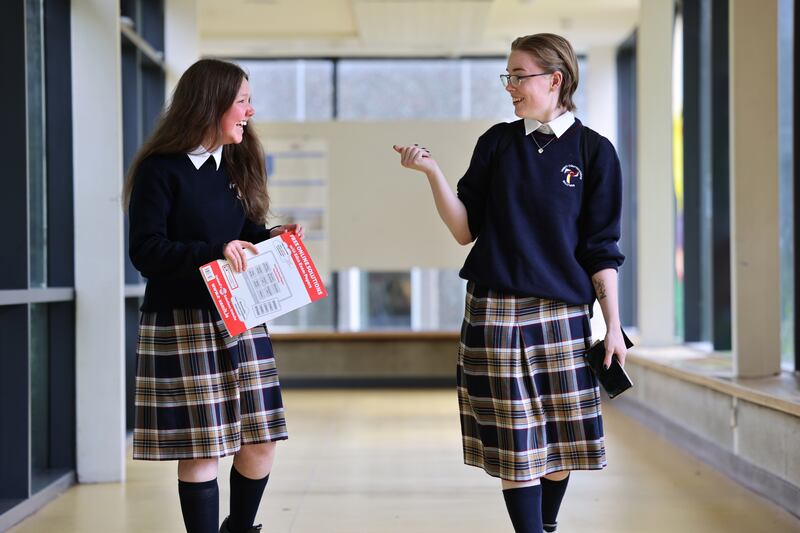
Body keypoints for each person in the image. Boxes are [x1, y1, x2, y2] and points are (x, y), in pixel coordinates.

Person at [393, 33, 626, 533]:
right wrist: (432, 172)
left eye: (518, 76)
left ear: (554, 79)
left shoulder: (594, 152)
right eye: (509, 76)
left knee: (561, 440)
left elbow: (601, 250)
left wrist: (613, 326)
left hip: (564, 314)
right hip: (493, 311)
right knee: (516, 441)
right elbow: (463, 230)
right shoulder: (496, 144)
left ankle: (546, 526)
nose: (511, 87)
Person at [123, 58, 303, 533]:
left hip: (239, 314)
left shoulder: (234, 165)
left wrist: (272, 239)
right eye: (242, 101)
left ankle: (239, 529)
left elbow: (242, 233)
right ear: (211, 105)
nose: (251, 110)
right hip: (183, 319)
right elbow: (145, 250)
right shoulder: (160, 171)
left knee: (261, 440)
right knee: (202, 448)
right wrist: (214, 252)